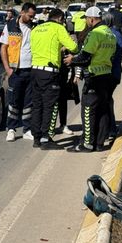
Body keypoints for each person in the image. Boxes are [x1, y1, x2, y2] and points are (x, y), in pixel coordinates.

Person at [64, 6, 117, 152]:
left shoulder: (95, 34)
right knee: (103, 111)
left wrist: (72, 60)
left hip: (94, 77)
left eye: (87, 19)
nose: (86, 22)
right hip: (107, 75)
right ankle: (99, 144)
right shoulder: (110, 34)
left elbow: (85, 57)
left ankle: (87, 144)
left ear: (91, 19)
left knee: (88, 110)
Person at [29, 8, 78, 150]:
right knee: (49, 106)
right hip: (50, 73)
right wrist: (62, 47)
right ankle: (46, 138)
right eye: (63, 20)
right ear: (60, 18)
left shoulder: (37, 29)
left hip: (35, 70)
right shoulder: (58, 28)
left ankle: (36, 138)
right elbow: (73, 47)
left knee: (37, 106)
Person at [0, 2, 36, 142]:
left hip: (31, 70)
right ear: (22, 12)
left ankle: (27, 130)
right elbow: (4, 48)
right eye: (30, 16)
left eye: (33, 16)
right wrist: (8, 69)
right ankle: (11, 129)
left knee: (29, 103)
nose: (32, 18)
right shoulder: (10, 26)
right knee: (14, 101)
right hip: (15, 71)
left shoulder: (34, 27)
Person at [103, 11, 122, 141]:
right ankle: (110, 128)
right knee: (107, 100)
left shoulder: (108, 35)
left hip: (109, 73)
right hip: (116, 72)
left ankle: (109, 130)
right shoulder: (117, 34)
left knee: (105, 101)